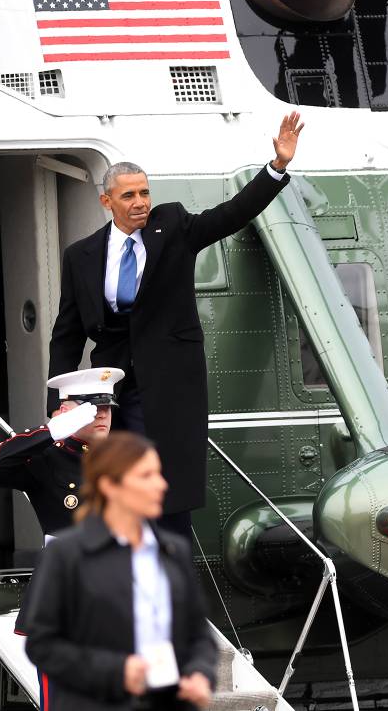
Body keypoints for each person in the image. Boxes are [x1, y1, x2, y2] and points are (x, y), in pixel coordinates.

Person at [46, 112, 304, 539]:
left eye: (145, 192)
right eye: (129, 195)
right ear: (106, 202)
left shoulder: (174, 227)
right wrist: (58, 403)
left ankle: (173, 585)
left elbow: (230, 215)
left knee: (164, 495)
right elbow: (67, 333)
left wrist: (276, 168)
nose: (141, 202)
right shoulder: (82, 255)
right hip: (108, 390)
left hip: (165, 386)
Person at [21, 432, 217, 711]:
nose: (161, 485)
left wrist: (200, 674)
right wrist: (118, 672)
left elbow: (199, 636)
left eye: (159, 474)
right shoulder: (66, 555)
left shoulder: (174, 551)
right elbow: (42, 645)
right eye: (146, 476)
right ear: (110, 486)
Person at [0, 367, 123, 535]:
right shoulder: (47, 458)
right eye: (93, 407)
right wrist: (49, 432)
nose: (103, 414)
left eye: (107, 407)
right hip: (69, 559)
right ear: (66, 413)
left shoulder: (122, 457)